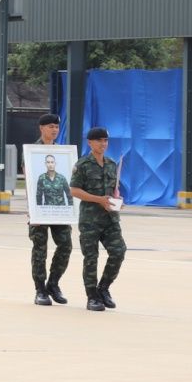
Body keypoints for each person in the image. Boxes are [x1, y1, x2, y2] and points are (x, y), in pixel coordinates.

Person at [70, 126, 126, 312]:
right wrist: (98, 200)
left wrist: (117, 200)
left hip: (110, 218)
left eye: (105, 141)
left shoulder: (111, 164)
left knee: (118, 251)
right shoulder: (83, 165)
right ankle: (92, 296)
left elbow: (113, 190)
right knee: (91, 257)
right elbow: (74, 190)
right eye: (99, 141)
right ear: (90, 143)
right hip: (90, 220)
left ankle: (104, 288)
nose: (103, 144)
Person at [28, 114, 72, 307]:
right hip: (41, 211)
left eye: (56, 127)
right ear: (41, 128)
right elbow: (31, 184)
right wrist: (33, 212)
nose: (54, 130)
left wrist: (71, 210)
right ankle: (40, 290)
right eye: (50, 126)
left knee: (65, 245)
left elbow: (68, 188)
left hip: (60, 211)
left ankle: (53, 283)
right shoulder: (32, 151)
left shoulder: (62, 153)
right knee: (40, 249)